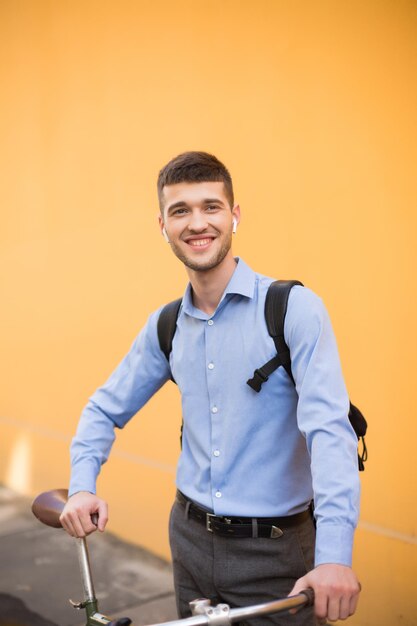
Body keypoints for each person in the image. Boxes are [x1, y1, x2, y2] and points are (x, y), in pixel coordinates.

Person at [60, 151, 361, 625]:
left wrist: (334, 557)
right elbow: (103, 408)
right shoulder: (167, 325)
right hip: (190, 542)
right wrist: (81, 487)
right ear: (162, 224)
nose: (196, 223)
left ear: (234, 215)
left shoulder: (293, 309)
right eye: (180, 211)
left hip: (277, 555)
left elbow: (329, 431)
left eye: (211, 207)